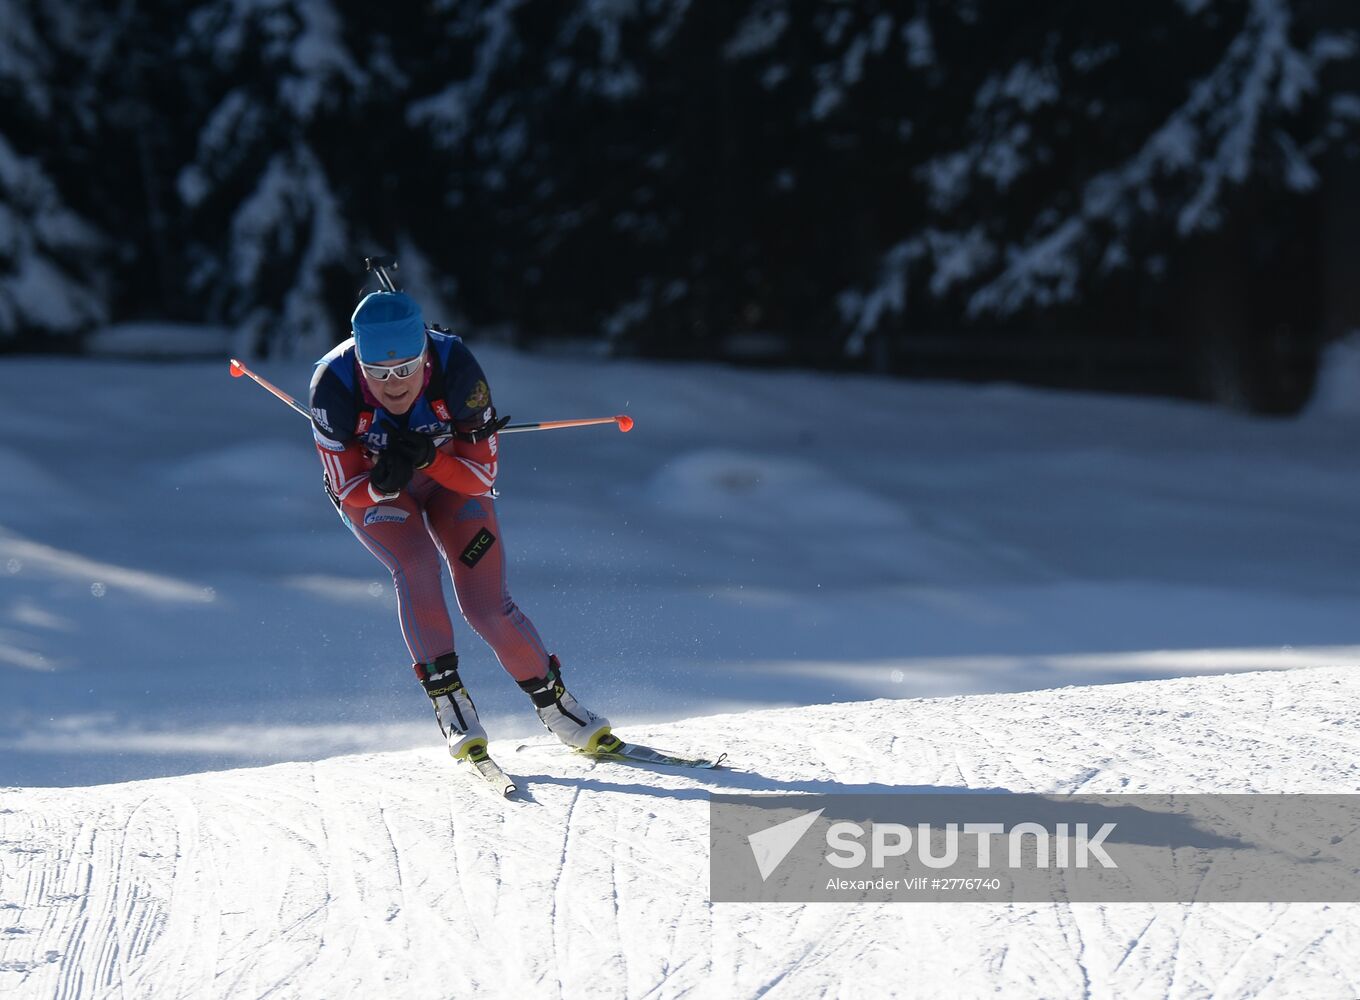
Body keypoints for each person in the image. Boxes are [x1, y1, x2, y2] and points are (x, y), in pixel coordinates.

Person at [308, 289, 612, 761]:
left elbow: (482, 476)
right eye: (378, 373)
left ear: (425, 355)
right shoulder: (332, 384)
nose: (393, 386)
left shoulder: (458, 371)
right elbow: (347, 488)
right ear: (359, 361)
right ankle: (452, 706)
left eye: (406, 369)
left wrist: (429, 457)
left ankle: (558, 707)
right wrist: (383, 483)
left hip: (452, 484)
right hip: (380, 496)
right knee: (416, 564)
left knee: (486, 606)